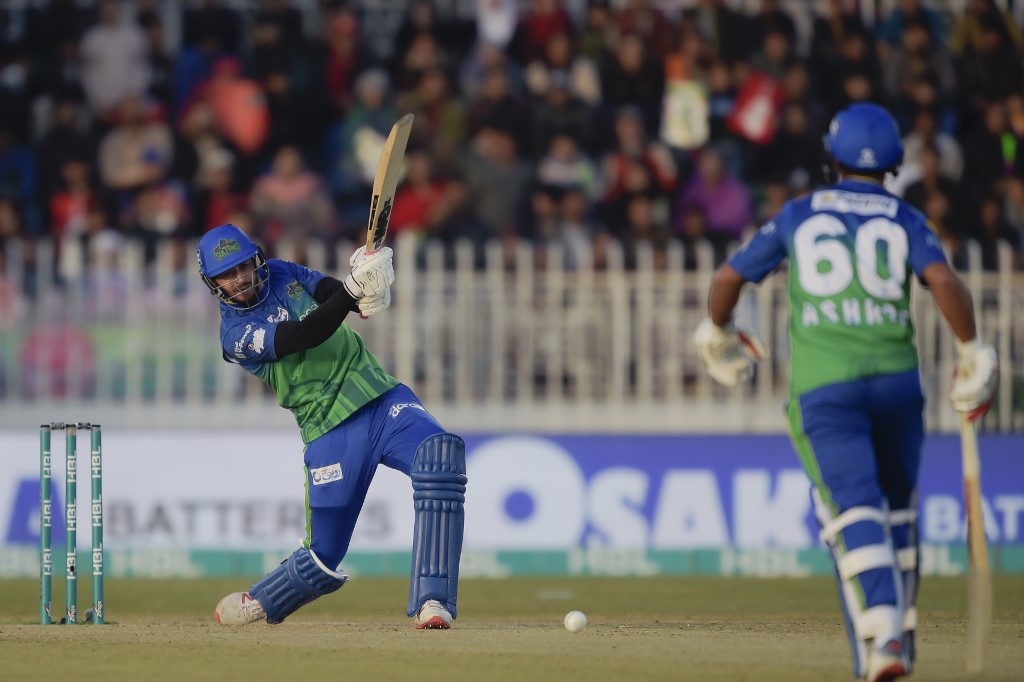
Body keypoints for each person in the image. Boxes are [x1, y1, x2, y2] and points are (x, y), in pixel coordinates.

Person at [693, 103, 999, 682]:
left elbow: (730, 277)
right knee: (898, 509)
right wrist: (971, 349)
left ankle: (883, 637)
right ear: (894, 163)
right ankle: (898, 640)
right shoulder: (905, 216)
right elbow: (942, 279)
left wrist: (718, 330)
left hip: (826, 386)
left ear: (830, 159)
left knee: (851, 506)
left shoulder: (800, 213)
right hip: (897, 383)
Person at [196, 223, 466, 630]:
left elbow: (333, 295)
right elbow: (306, 334)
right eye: (227, 275)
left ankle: (433, 601)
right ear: (213, 283)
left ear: (257, 259)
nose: (240, 279)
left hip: (379, 396)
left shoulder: (283, 272)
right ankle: (263, 599)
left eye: (243, 266)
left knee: (439, 462)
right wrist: (352, 291)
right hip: (327, 426)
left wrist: (369, 286)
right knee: (323, 557)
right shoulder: (234, 336)